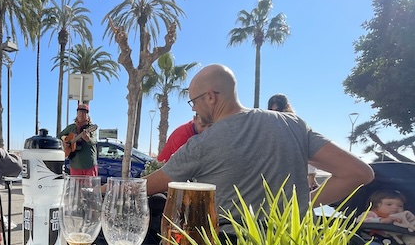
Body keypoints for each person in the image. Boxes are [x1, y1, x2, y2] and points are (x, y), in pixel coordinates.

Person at [145, 64, 374, 231]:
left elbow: (147, 187)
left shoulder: (202, 144)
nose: (194, 109)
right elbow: (359, 173)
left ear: (211, 97)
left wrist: (109, 190)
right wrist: (302, 203)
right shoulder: (292, 123)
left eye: (193, 101)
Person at [267, 93, 320, 190]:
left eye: (279, 110)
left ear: (287, 107)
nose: (276, 113)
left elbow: (307, 149)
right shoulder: (267, 125)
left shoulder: (298, 124)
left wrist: (311, 176)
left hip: (294, 177)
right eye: (271, 110)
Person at [59, 104, 98, 176]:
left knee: (90, 187)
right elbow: (59, 136)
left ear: (87, 115)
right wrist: (64, 141)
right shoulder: (71, 127)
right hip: (75, 164)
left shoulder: (91, 128)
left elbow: (94, 141)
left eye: (84, 112)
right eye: (79, 112)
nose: (81, 114)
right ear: (77, 113)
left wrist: (87, 139)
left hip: (89, 164)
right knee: (75, 187)